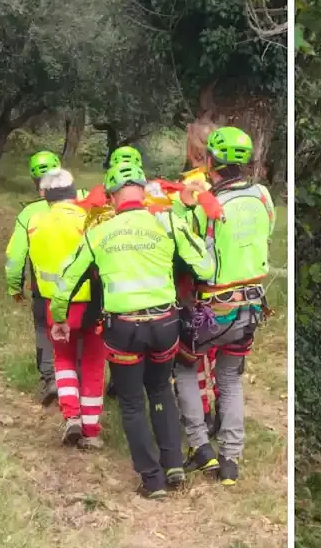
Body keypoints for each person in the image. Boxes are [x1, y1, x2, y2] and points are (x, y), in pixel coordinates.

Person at [51, 158, 215, 499]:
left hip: (124, 328)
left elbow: (66, 280)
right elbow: (205, 264)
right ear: (142, 192)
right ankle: (173, 465)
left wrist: (61, 317)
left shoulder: (97, 233)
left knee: (131, 403)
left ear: (111, 198)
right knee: (159, 389)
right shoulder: (168, 221)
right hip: (165, 325)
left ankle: (152, 480)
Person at [171, 126, 275, 486]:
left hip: (214, 308)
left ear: (210, 160)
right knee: (229, 378)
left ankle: (201, 447)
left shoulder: (209, 204)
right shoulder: (263, 196)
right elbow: (267, 232)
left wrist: (182, 205)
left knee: (184, 365)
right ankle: (231, 457)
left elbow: (186, 243)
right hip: (251, 306)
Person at [26, 168, 110, 449]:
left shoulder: (35, 223)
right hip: (91, 302)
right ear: (74, 192)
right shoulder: (89, 219)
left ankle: (71, 415)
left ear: (44, 195)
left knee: (62, 360)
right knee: (93, 362)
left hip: (55, 305)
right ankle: (91, 428)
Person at [4, 151, 90, 406]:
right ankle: (80, 384)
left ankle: (51, 378)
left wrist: (15, 286)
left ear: (35, 182)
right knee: (83, 336)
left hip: (45, 290)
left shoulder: (29, 213)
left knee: (44, 330)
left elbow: (15, 256)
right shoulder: (82, 202)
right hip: (84, 289)